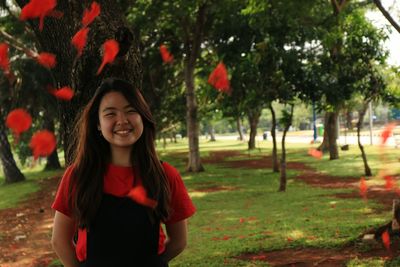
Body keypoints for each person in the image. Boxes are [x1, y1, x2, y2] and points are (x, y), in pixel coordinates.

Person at [51, 78, 196, 267]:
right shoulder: (79, 175)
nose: (122, 121)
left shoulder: (165, 175)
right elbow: (59, 241)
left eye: (131, 111)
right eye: (110, 114)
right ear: (97, 124)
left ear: (143, 117)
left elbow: (179, 241)